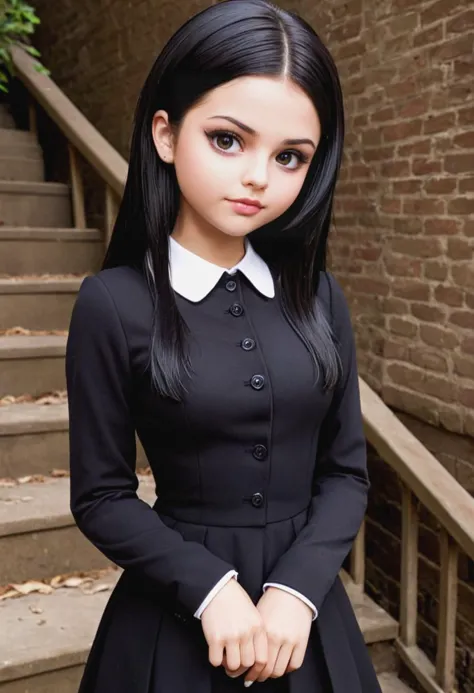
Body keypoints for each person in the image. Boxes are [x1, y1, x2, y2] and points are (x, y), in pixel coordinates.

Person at [65, 0, 382, 691]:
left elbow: (346, 473)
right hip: (178, 622)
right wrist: (211, 587)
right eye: (229, 140)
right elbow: (100, 495)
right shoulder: (112, 304)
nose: (259, 178)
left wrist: (297, 591)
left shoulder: (320, 296)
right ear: (166, 134)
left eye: (291, 156)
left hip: (309, 620)